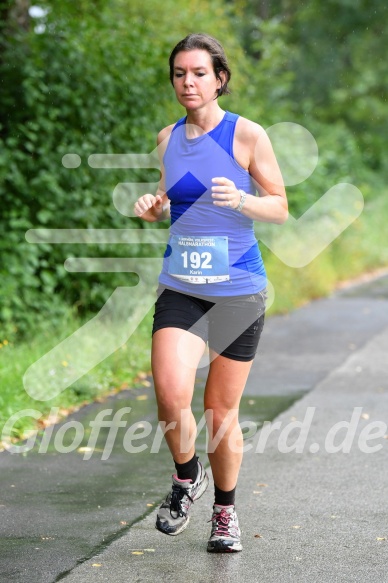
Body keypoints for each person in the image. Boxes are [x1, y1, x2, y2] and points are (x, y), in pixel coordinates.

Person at [134, 33, 287, 553]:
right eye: (180, 73)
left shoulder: (247, 135)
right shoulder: (167, 138)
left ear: (219, 78)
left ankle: (225, 512)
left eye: (199, 73)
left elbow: (281, 206)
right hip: (182, 284)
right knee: (170, 391)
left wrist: (244, 199)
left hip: (238, 292)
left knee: (220, 412)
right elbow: (174, 202)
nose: (188, 82)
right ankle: (185, 476)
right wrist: (156, 209)